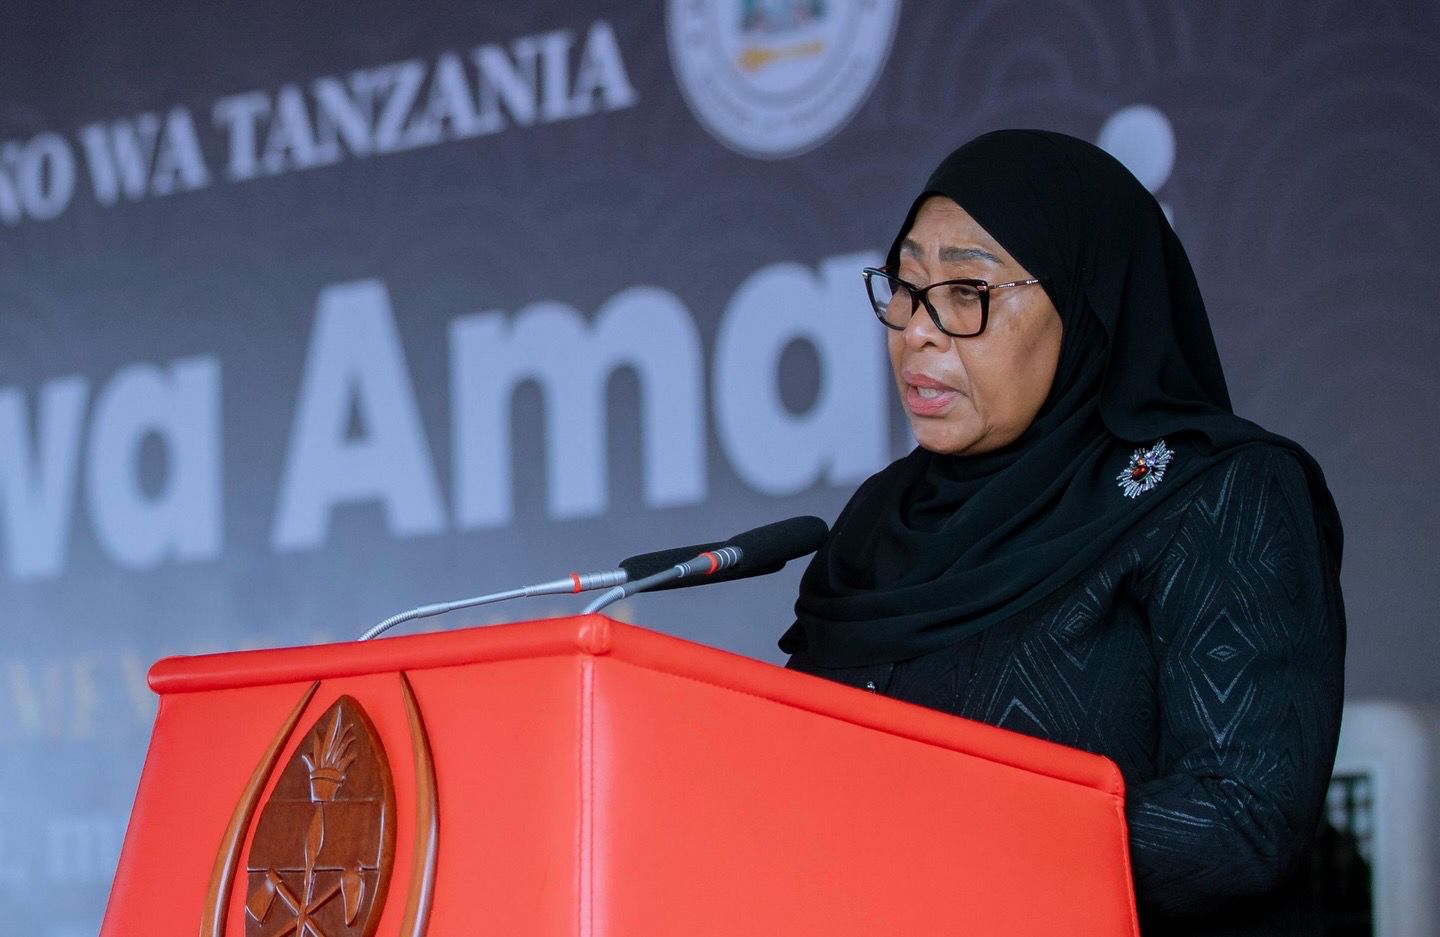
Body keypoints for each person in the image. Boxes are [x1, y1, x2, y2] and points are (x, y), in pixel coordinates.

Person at [780, 130, 1346, 936]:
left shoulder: (1214, 493)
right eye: (906, 286)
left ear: (1087, 304)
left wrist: (948, 845)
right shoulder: (880, 520)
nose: (918, 329)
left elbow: (1243, 817)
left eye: (967, 290)